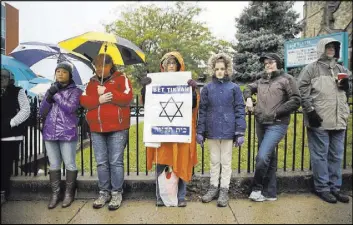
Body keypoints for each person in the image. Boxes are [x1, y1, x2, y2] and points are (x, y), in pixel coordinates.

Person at [140, 51, 199, 207]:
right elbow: (148, 102)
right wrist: (145, 88)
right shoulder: (156, 82)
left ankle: (181, 197)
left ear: (178, 65)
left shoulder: (186, 82)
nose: (171, 66)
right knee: (162, 161)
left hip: (180, 130)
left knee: (182, 161)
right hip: (163, 132)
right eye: (168, 63)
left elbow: (192, 105)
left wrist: (193, 91)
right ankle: (160, 197)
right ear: (163, 67)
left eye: (173, 63)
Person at [297, 38, 351, 204]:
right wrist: (310, 111)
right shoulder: (311, 69)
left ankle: (335, 188)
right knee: (320, 155)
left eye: (333, 47)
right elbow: (301, 90)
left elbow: (351, 88)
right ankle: (322, 188)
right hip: (319, 120)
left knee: (336, 155)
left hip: (339, 119)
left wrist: (347, 86)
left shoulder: (342, 69)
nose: (331, 49)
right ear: (321, 48)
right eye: (328, 47)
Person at [243, 53, 301, 202]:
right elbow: (248, 87)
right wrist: (248, 98)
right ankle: (270, 192)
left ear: (278, 63)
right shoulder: (262, 80)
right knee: (269, 156)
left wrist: (277, 112)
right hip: (261, 122)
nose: (268, 65)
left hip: (277, 124)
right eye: (266, 63)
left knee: (262, 156)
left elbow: (296, 100)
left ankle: (256, 189)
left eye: (271, 62)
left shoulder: (287, 79)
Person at [80, 53, 133, 210]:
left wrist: (108, 93)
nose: (100, 69)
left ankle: (116, 193)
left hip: (117, 128)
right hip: (96, 128)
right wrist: (99, 99)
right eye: (97, 66)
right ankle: (104, 192)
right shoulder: (91, 83)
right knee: (101, 163)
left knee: (115, 162)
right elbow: (84, 101)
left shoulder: (121, 79)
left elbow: (127, 97)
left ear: (111, 66)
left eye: (103, 66)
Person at [196, 53, 246, 207]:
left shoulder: (234, 88)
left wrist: (240, 131)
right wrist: (200, 131)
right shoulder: (207, 88)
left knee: (226, 161)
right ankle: (213, 187)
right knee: (214, 160)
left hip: (228, 130)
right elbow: (202, 110)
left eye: (222, 68)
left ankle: (224, 189)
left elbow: (239, 109)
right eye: (216, 68)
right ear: (213, 69)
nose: (219, 71)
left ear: (227, 70)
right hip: (211, 130)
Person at [39, 62, 83, 209]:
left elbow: (70, 108)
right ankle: (55, 194)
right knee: (54, 164)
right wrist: (48, 97)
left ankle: (69, 194)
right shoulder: (51, 90)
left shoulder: (75, 91)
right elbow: (42, 111)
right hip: (50, 131)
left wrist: (56, 95)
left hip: (67, 132)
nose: (60, 74)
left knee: (69, 162)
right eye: (58, 71)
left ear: (69, 75)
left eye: (64, 72)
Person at [1, 68, 31, 205]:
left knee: (5, 164)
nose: (1, 79)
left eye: (4, 77)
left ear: (10, 78)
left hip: (10, 135)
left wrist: (11, 123)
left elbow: (26, 110)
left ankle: (2, 192)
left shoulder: (17, 91)